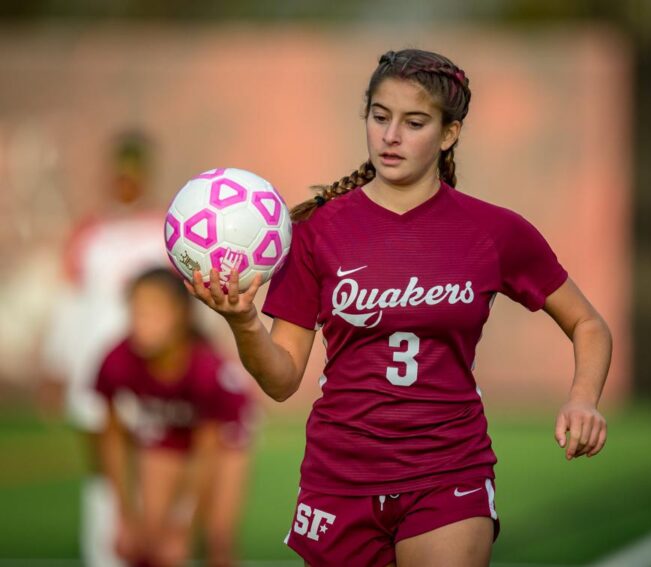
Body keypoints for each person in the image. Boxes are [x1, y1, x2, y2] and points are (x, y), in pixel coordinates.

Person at [186, 48, 612, 567]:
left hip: (449, 470)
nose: (391, 136)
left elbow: (588, 323)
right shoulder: (317, 232)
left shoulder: (494, 231)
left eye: (414, 123)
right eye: (380, 117)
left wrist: (583, 398)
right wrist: (244, 321)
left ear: (449, 134)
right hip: (340, 478)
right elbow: (281, 380)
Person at [40, 130, 170, 567]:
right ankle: (103, 554)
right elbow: (70, 302)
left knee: (158, 462)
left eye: (134, 172)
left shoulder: (164, 232)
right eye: (119, 172)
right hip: (94, 370)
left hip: (154, 372)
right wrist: (57, 364)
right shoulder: (89, 234)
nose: (125, 181)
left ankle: (158, 547)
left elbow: (182, 302)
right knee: (103, 470)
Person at [95, 267, 254, 567]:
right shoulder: (117, 360)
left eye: (155, 312)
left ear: (181, 316)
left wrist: (183, 527)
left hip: (225, 437)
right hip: (168, 431)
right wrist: (124, 516)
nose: (143, 322)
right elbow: (112, 437)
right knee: (149, 540)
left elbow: (207, 450)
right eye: (137, 311)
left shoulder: (205, 369)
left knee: (217, 537)